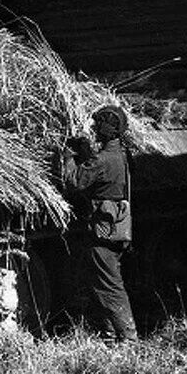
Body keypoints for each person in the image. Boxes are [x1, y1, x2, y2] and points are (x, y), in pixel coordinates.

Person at [62, 105, 138, 344]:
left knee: (110, 286)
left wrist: (68, 156)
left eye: (97, 126)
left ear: (105, 130)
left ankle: (128, 338)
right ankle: (110, 336)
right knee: (103, 283)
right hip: (117, 229)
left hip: (102, 232)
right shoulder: (122, 155)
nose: (94, 130)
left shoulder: (102, 159)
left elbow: (73, 181)